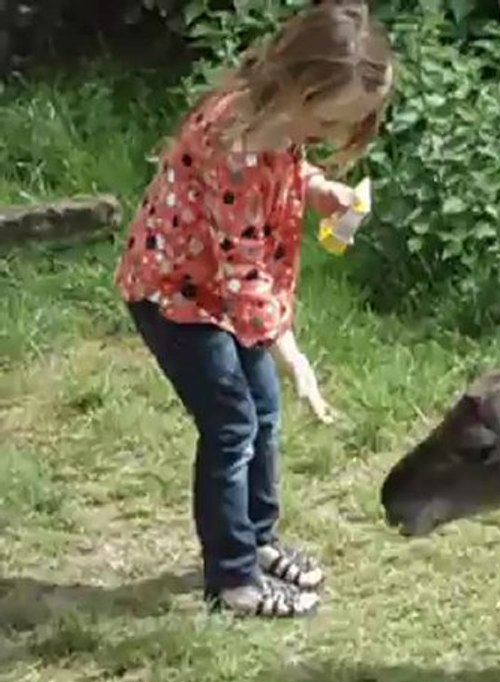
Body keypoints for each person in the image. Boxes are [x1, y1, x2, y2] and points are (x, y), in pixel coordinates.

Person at [114, 0, 394, 618]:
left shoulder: (277, 123)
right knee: (232, 426)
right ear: (301, 85)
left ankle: (258, 536)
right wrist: (294, 356)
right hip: (176, 300)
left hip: (222, 298)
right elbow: (243, 272)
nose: (330, 136)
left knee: (261, 415)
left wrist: (322, 192)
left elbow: (287, 174)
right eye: (328, 121)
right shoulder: (235, 139)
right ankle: (233, 578)